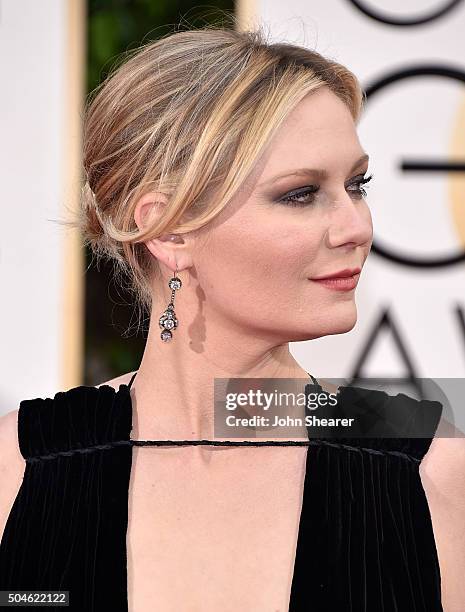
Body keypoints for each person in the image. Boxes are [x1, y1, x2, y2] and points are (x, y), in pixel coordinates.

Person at [0, 24, 464, 612]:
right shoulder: (19, 467)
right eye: (300, 193)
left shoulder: (430, 467)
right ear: (169, 230)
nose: (357, 228)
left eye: (356, 184)